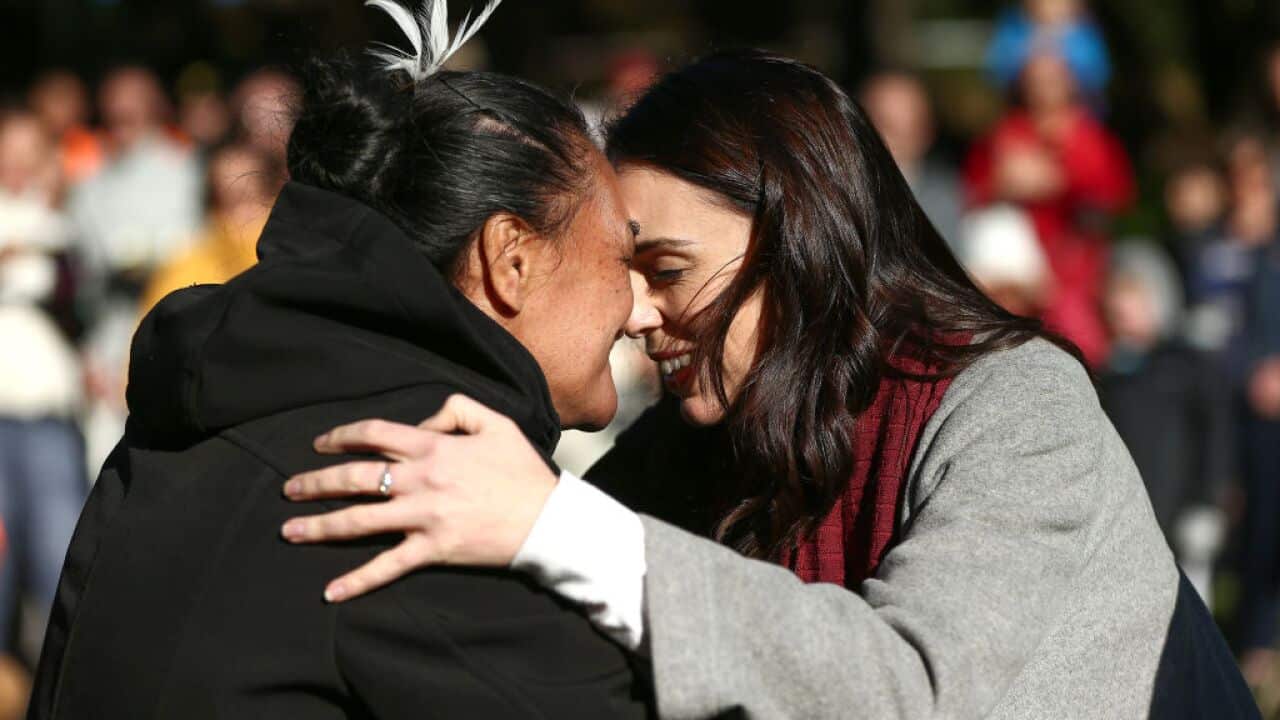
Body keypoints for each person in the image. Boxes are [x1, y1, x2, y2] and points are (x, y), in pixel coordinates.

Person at [281, 50, 1255, 718]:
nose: (634, 314)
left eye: (665, 269)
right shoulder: (696, 446)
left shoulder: (1016, 407)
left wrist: (555, 527)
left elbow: (917, 688)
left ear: (796, 236)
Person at [28, 3, 652, 718]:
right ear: (512, 260)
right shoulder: (430, 483)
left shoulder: (200, 412)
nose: (641, 309)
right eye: (624, 258)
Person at [965, 45, 1134, 367]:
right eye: (1035, 78)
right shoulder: (1006, 134)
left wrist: (1059, 182)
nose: (1043, 87)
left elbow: (1111, 201)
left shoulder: (1090, 138)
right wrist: (1003, 184)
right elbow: (976, 191)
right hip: (1014, 270)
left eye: (1052, 77)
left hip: (1074, 265)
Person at [1097, 244, 1233, 605]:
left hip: (1181, 523)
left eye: (1131, 293)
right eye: (1114, 292)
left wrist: (1208, 502)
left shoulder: (1187, 366)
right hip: (1129, 529)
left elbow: (1215, 437)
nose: (1118, 304)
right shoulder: (1111, 374)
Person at [0, 112, 87, 671]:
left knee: (58, 558)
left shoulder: (65, 228)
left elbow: (78, 307)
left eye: (29, 147)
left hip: (46, 412)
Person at [137, 141, 280, 316]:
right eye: (229, 203)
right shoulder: (184, 268)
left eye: (250, 200)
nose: (241, 216)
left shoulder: (294, 257)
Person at [860, 71, 963, 249]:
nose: (894, 139)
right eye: (886, 123)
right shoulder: (834, 197)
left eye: (909, 125)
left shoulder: (947, 199)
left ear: (928, 132)